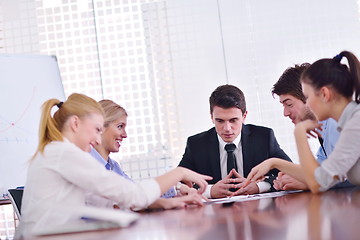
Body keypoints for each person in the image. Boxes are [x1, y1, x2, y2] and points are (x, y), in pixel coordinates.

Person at [21, 93, 211, 234]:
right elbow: (135, 196)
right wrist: (179, 172)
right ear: (75, 124)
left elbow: (122, 198)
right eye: (96, 129)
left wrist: (163, 201)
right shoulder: (65, 153)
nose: (97, 139)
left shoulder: (56, 151)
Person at [244, 51, 360, 193]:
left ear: (324, 94)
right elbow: (320, 171)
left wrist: (299, 134)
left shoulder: (354, 123)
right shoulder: (342, 123)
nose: (308, 103)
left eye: (307, 96)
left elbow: (319, 181)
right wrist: (277, 164)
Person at [178, 84, 291, 198]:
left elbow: (291, 174)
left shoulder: (264, 137)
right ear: (211, 117)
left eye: (233, 120)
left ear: (244, 116)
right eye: (220, 121)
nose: (227, 128)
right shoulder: (196, 144)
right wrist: (210, 190)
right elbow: (178, 184)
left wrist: (259, 186)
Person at [87, 99, 201, 210]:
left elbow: (137, 193)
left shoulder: (113, 166)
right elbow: (122, 202)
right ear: (101, 127)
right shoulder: (87, 163)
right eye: (120, 126)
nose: (125, 135)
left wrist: (177, 189)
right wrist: (167, 200)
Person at [271, 63, 343, 190]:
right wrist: (296, 175)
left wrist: (309, 182)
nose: (285, 113)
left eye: (289, 104)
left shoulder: (336, 123)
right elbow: (321, 166)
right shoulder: (323, 128)